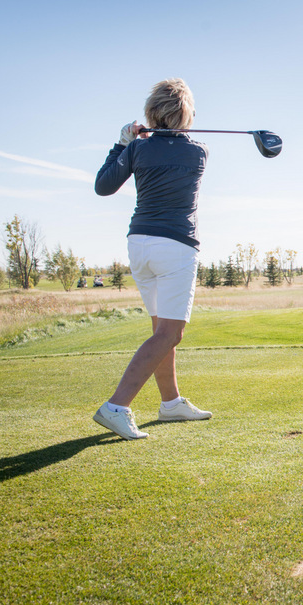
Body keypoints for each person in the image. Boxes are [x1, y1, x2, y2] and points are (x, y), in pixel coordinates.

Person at [92, 78, 212, 440]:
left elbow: (103, 186)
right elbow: (178, 145)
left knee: (161, 330)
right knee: (170, 333)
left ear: (152, 113)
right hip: (175, 247)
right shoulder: (199, 151)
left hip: (139, 245)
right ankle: (116, 406)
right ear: (186, 115)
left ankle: (171, 403)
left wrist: (123, 143)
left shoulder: (138, 149)